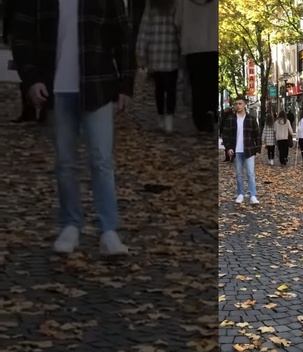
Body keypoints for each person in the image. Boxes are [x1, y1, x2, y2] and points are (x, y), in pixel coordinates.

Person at [11, 0, 135, 255]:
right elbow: (22, 36)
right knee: (65, 162)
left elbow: (122, 37)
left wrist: (125, 84)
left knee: (101, 160)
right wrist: (31, 79)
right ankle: (70, 224)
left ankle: (108, 230)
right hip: (56, 88)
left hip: (97, 85)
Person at [137, 0, 180, 133]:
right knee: (171, 89)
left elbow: (144, 30)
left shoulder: (151, 4)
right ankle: (169, 120)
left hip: (155, 54)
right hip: (172, 52)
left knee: (159, 88)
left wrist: (141, 52)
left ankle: (161, 117)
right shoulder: (176, 4)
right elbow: (180, 27)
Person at [175, 0, 216, 133]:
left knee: (197, 85)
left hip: (192, 47)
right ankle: (211, 110)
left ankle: (200, 119)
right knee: (211, 81)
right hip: (213, 44)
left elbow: (178, 21)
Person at [3, 0, 45, 124]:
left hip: (36, 29)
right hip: (22, 27)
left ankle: (41, 110)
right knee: (26, 70)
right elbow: (9, 9)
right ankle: (30, 110)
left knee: (39, 70)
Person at [222, 98, 261, 205]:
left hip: (249, 150)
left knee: (250, 173)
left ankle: (253, 195)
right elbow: (225, 135)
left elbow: (257, 134)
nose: (238, 106)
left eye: (240, 104)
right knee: (239, 174)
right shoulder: (230, 119)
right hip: (236, 151)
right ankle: (240, 193)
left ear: (244, 105)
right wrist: (228, 148)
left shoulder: (251, 119)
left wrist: (257, 149)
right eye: (236, 104)